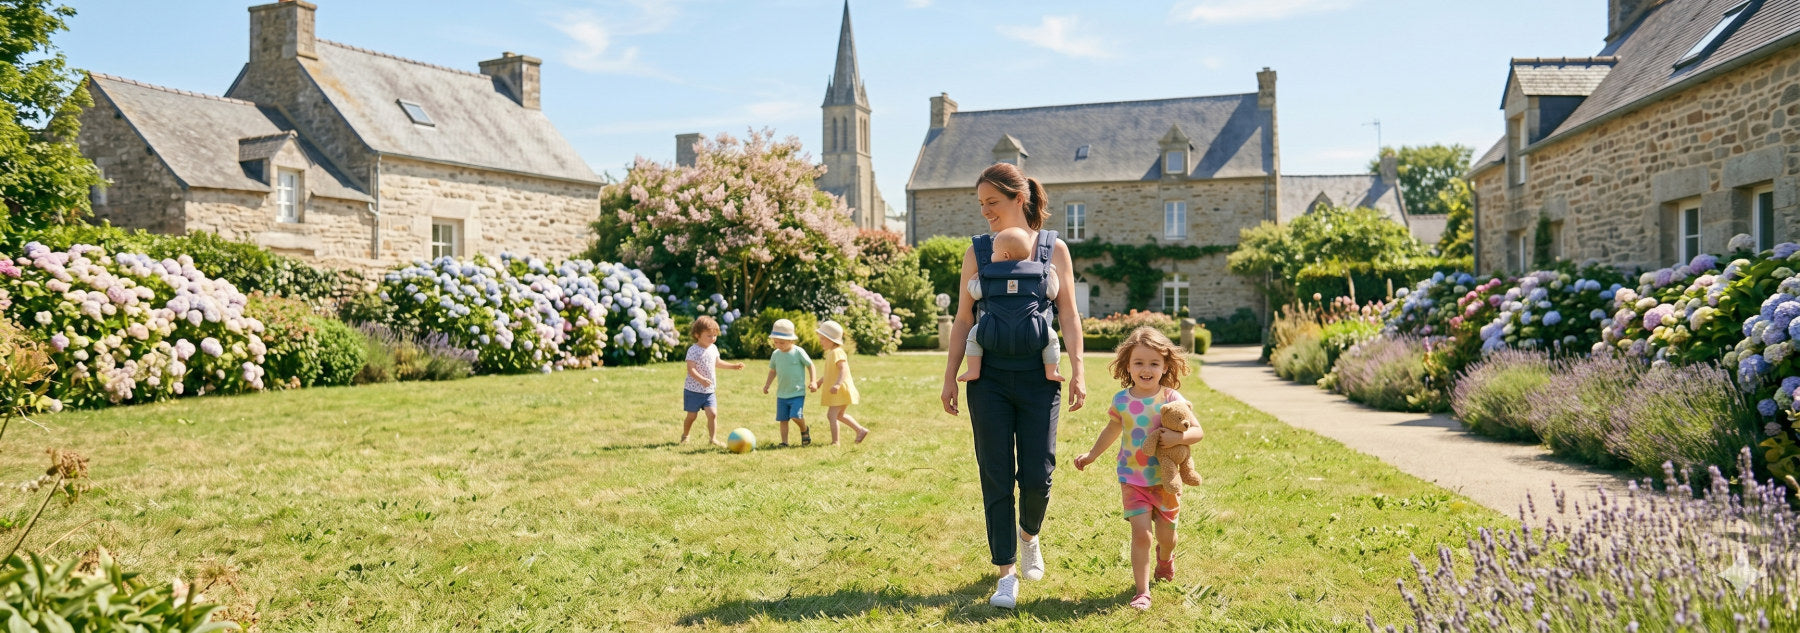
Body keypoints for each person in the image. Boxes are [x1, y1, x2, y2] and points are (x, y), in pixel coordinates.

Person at [939, 162, 1087, 610]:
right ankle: (1005, 572)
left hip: (1041, 380)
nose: (985, 212)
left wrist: (1078, 368)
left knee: (1039, 475)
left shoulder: (1054, 249)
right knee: (996, 474)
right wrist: (949, 376)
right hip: (989, 381)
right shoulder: (977, 253)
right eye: (980, 204)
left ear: (1019, 199)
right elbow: (965, 318)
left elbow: (1069, 315)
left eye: (993, 203)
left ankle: (1029, 536)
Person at [1072, 327, 1203, 611]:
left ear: (1165, 366)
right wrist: (1092, 455)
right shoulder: (1122, 400)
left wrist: (1178, 438)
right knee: (1141, 534)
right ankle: (1142, 592)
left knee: (1167, 537)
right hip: (1132, 477)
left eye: (1154, 363)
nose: (1146, 369)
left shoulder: (1171, 399)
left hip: (1165, 481)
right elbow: (1112, 429)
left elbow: (1198, 431)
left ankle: (1165, 559)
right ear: (1127, 366)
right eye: (1139, 363)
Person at [956, 225, 1063, 384]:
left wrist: (975, 278)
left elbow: (976, 293)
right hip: (1031, 328)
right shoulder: (1037, 275)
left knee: (974, 334)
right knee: (1052, 337)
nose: (991, 255)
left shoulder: (991, 276)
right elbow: (1052, 293)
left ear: (1005, 255)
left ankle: (973, 369)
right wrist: (1051, 272)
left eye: (994, 252)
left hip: (994, 328)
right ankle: (1051, 370)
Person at [680, 316, 744, 447]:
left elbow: (718, 363)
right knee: (692, 416)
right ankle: (685, 435)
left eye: (715, 335)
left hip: (709, 391)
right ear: (697, 335)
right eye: (709, 335)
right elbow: (691, 369)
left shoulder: (713, 348)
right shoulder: (693, 350)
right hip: (693, 391)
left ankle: (712, 439)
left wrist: (733, 366)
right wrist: (701, 379)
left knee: (713, 414)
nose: (713, 338)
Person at [813, 320, 870, 444]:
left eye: (823, 339)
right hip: (840, 390)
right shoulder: (832, 353)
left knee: (832, 415)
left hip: (840, 389)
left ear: (831, 339)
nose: (820, 341)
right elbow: (830, 373)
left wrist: (838, 384)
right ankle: (860, 430)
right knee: (839, 415)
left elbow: (843, 369)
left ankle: (835, 442)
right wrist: (819, 382)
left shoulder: (837, 352)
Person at [761, 318, 815, 446]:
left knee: (796, 415)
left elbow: (810, 365)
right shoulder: (776, 354)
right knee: (783, 419)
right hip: (782, 394)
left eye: (782, 343)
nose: (779, 345)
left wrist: (813, 381)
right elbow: (773, 371)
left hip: (797, 392)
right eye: (776, 342)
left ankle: (804, 429)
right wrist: (767, 385)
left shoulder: (798, 352)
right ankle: (784, 442)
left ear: (791, 340)